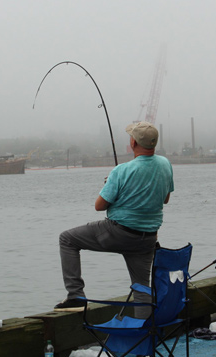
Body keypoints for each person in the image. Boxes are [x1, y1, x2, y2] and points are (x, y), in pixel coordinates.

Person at [54, 121, 174, 314]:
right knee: (142, 287)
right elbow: (165, 198)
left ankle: (76, 296)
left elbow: (99, 206)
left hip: (118, 233)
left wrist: (110, 184)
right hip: (147, 238)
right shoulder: (165, 164)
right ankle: (145, 336)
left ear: (133, 143)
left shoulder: (121, 170)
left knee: (67, 239)